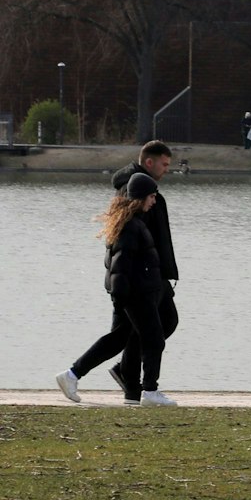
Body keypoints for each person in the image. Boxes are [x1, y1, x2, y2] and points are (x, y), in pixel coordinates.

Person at [56, 141, 182, 401]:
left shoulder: (142, 191)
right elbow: (123, 252)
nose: (167, 169)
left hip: (148, 277)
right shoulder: (133, 195)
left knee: (143, 330)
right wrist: (122, 291)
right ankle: (137, 386)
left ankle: (126, 382)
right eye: (165, 164)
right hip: (139, 282)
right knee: (139, 335)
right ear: (150, 162)